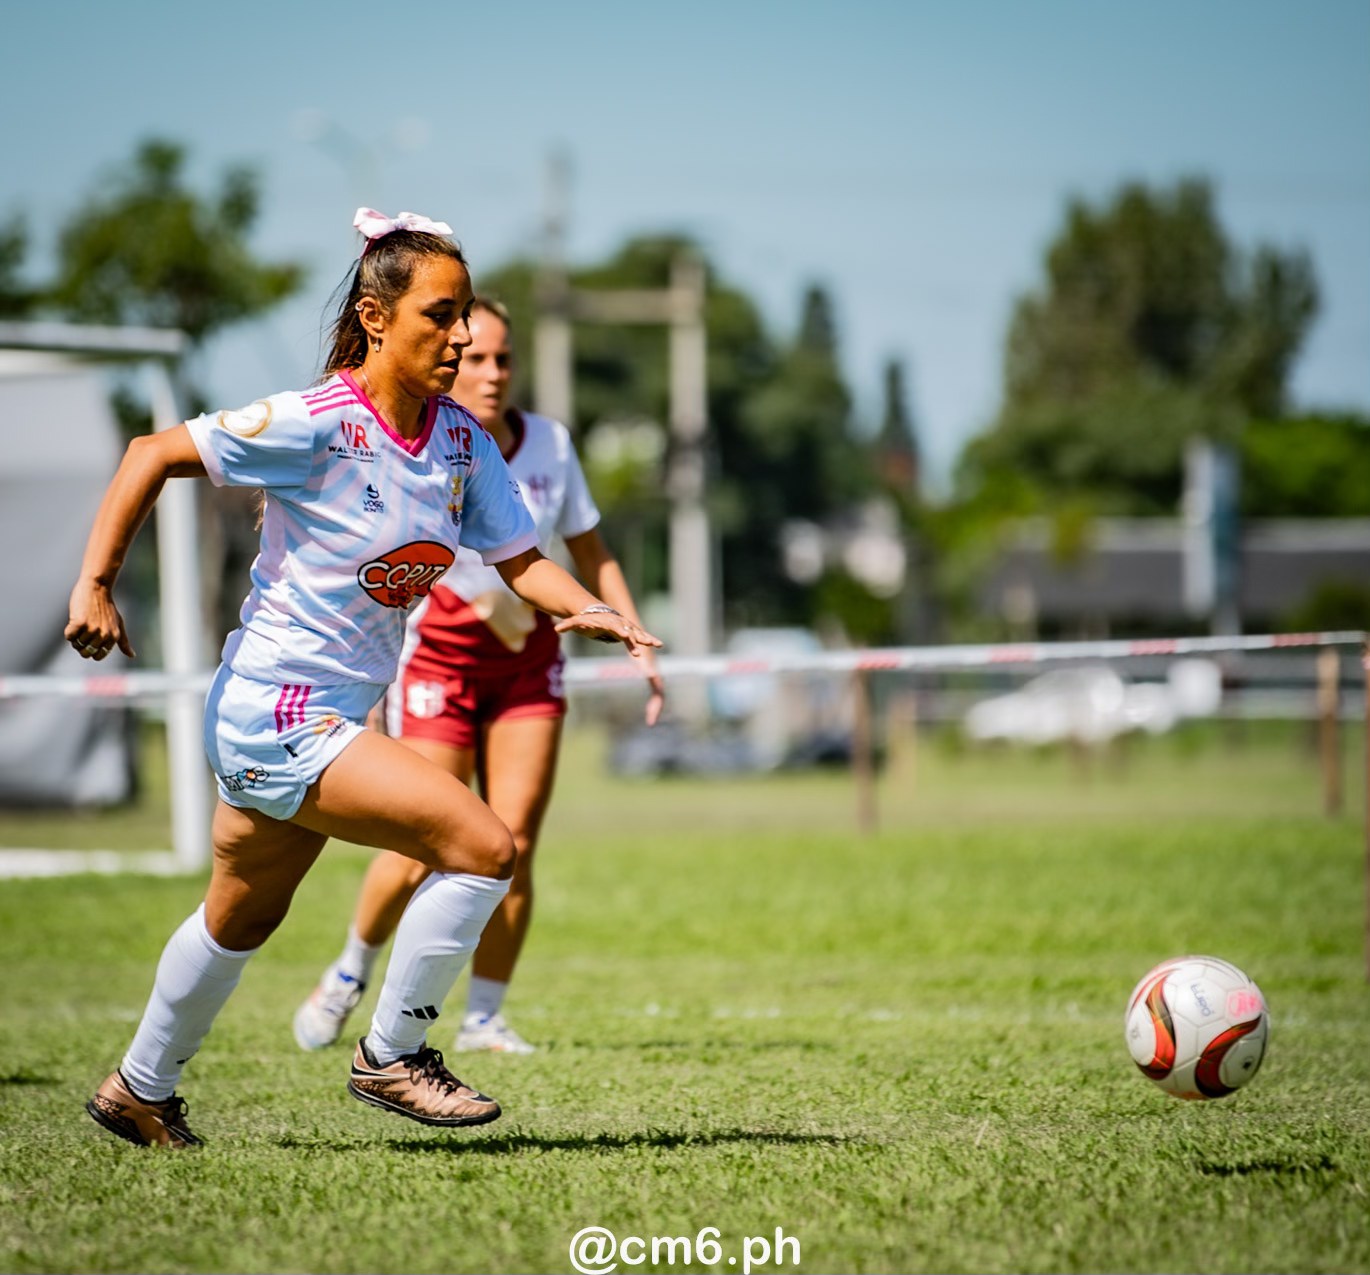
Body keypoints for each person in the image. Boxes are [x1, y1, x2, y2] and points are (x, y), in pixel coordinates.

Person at [65, 208, 661, 1148]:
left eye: (465, 313)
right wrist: (96, 582)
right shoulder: (318, 422)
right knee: (485, 844)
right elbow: (151, 453)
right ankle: (392, 1054)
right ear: (377, 318)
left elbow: (520, 558)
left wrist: (585, 607)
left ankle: (138, 1089)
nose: (462, 335)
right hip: (277, 707)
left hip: (329, 712)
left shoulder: (460, 442)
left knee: (240, 916)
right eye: (441, 314)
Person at [293, 298, 663, 1057]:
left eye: (504, 359)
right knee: (428, 841)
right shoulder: (416, 442)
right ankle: (349, 972)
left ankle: (486, 1015)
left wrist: (633, 635)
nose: (490, 372)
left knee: (513, 843)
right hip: (439, 663)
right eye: (476, 356)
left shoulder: (550, 445)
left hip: (529, 666)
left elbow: (591, 552)